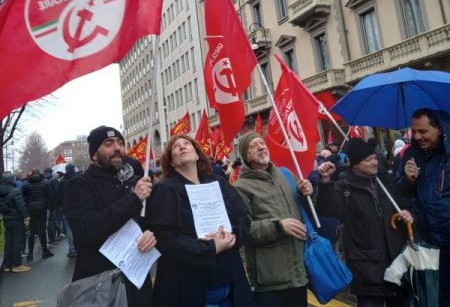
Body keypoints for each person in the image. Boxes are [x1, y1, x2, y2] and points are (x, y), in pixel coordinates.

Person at [146, 134, 252, 307]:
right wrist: (211, 248)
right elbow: (165, 239)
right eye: (176, 147)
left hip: (231, 282)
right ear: (171, 162)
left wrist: (233, 236)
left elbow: (243, 217)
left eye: (187, 144)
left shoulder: (218, 182)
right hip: (193, 289)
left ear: (197, 155)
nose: (182, 146)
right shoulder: (165, 189)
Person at [64, 126, 156, 307]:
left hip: (136, 282)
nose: (117, 148)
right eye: (109, 144)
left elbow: (144, 222)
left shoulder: (130, 183)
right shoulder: (79, 185)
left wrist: (150, 234)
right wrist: (133, 199)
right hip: (100, 288)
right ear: (94, 155)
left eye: (120, 143)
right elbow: (87, 231)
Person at [317, 138, 412, 307]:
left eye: (374, 158)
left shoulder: (386, 183)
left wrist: (409, 215)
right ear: (355, 164)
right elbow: (328, 209)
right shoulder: (345, 188)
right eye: (368, 160)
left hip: (397, 267)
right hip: (367, 271)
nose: (374, 162)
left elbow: (406, 207)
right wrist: (325, 182)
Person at [234, 131, 313, 307]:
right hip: (270, 280)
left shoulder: (285, 175)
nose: (260, 147)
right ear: (246, 156)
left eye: (262, 143)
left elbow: (306, 211)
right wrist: (279, 227)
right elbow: (244, 230)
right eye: (253, 146)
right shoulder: (241, 187)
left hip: (298, 273)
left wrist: (306, 193)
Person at [397, 108, 450, 307]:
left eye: (423, 131)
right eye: (414, 131)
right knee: (435, 298)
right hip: (428, 245)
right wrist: (409, 181)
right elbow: (402, 195)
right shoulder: (411, 155)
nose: (417, 136)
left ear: (439, 128)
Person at [0, 173, 31, 272]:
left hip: (6, 219)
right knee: (17, 241)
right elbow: (20, 206)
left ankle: (7, 264)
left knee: (8, 242)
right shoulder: (15, 191)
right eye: (14, 179)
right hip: (16, 219)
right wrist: (26, 217)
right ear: (11, 181)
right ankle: (17, 264)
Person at [22, 168, 53, 261]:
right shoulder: (46, 182)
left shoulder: (26, 184)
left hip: (31, 209)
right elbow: (50, 196)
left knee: (32, 232)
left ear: (31, 173)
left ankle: (30, 253)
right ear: (39, 173)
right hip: (42, 208)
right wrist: (50, 207)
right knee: (42, 230)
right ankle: (45, 251)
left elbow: (22, 197)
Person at [58, 163, 77, 258]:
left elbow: (59, 195)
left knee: (69, 229)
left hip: (67, 208)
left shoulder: (62, 182)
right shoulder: (79, 179)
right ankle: (82, 247)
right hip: (79, 207)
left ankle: (72, 249)